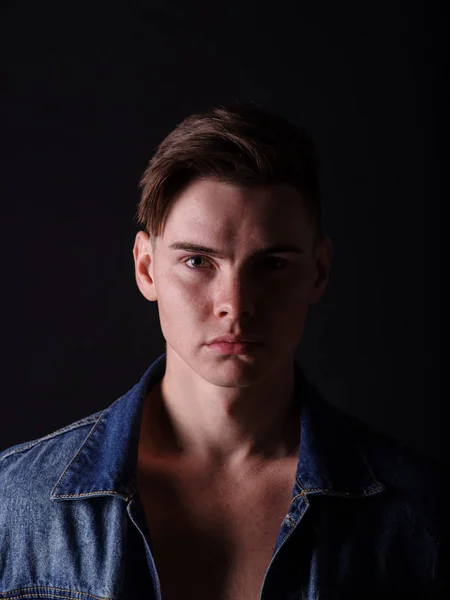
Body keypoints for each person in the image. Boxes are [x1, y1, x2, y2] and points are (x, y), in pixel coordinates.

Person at [0, 102, 447, 599]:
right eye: (197, 260)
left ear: (318, 271)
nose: (235, 305)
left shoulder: (422, 515)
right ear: (146, 269)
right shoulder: (15, 504)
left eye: (272, 264)